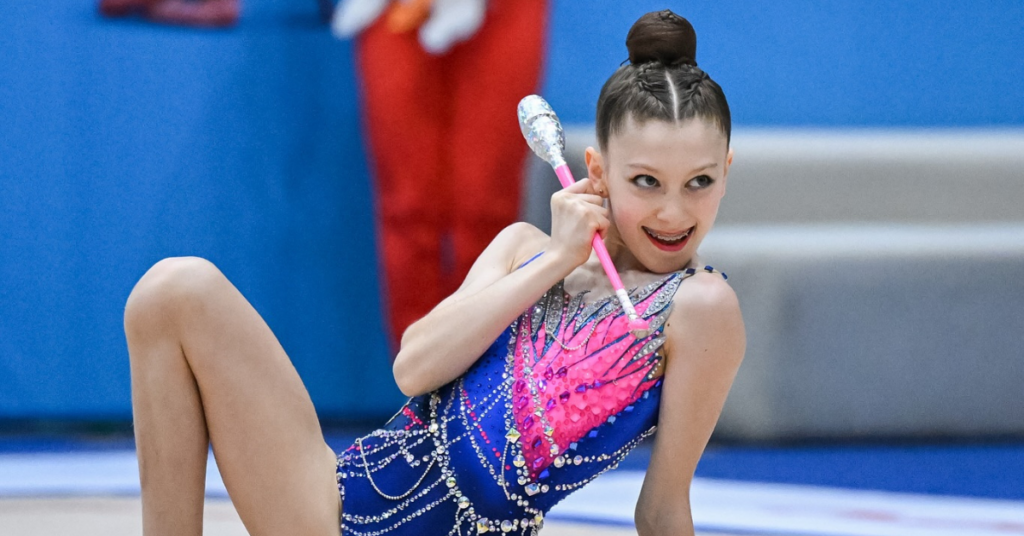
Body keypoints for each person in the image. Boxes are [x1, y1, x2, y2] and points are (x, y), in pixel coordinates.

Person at [124, 9, 744, 536]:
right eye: (646, 181)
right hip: (334, 502)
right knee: (172, 290)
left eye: (699, 182)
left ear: (726, 172)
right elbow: (413, 367)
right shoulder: (523, 249)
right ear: (597, 172)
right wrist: (557, 260)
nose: (673, 212)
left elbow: (661, 509)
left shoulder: (700, 308)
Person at [332, 0, 548, 349]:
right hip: (392, 11)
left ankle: (486, 363)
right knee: (408, 207)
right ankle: (421, 366)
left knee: (485, 204)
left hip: (502, 11)